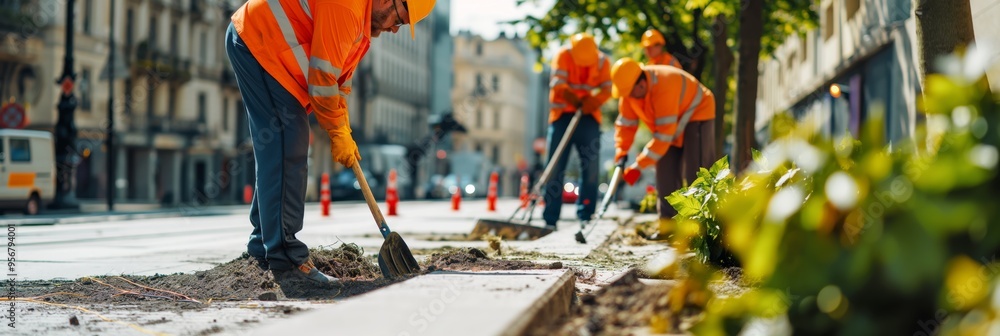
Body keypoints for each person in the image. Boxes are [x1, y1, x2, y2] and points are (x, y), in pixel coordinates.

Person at [226, 0, 436, 289]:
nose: (396, 30)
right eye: (399, 20)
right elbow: (323, 79)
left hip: (266, 45)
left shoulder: (362, 25)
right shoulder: (347, 8)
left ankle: (265, 246)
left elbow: (339, 83)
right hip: (261, 40)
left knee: (282, 148)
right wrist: (336, 132)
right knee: (289, 147)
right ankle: (286, 259)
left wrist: (344, 131)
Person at [610, 58, 716, 229]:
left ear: (642, 84)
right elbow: (626, 126)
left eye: (630, 93)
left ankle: (701, 229)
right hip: (670, 125)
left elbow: (663, 137)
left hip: (697, 113)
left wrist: (638, 166)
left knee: (696, 172)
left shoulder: (664, 86)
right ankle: (668, 228)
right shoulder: (629, 93)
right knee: (664, 171)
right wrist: (621, 152)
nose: (627, 97)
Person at [543, 33, 612, 231]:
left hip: (588, 117)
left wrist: (594, 101)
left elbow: (608, 88)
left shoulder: (602, 62)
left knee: (590, 168)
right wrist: (572, 97)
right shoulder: (563, 55)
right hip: (562, 116)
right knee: (555, 167)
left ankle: (586, 214)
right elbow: (557, 83)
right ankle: (550, 217)